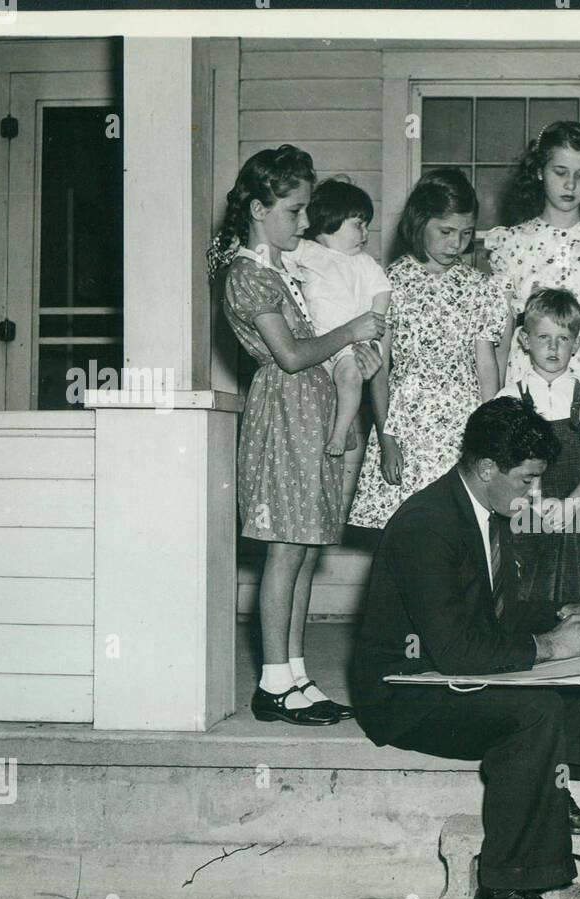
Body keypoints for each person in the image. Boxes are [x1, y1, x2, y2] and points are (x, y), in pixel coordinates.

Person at [351, 398, 580, 899]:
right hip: (407, 693)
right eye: (528, 480)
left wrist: (568, 615)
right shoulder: (427, 525)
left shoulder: (485, 508)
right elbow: (459, 651)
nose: (535, 493)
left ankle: (552, 793)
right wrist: (547, 647)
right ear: (487, 468)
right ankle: (505, 891)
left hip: (448, 664)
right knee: (532, 710)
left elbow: (494, 614)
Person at [209, 145, 384, 726]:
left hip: (314, 413)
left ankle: (298, 674)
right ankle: (272, 684)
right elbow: (288, 356)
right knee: (284, 550)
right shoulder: (246, 274)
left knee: (306, 549)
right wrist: (350, 330)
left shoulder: (284, 269)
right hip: (284, 414)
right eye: (294, 210)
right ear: (259, 209)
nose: (305, 223)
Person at [349, 168, 511, 530]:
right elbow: (379, 367)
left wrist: (493, 439)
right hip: (407, 426)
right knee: (413, 532)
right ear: (420, 222)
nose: (456, 244)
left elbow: (487, 368)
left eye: (466, 234)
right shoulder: (390, 281)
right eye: (446, 232)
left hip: (462, 427)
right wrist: (387, 438)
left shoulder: (479, 288)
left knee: (461, 528)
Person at [496, 288, 580, 604]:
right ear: (525, 341)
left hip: (578, 504)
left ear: (578, 343)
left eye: (563, 339)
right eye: (543, 337)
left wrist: (573, 502)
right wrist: (535, 501)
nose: (553, 347)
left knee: (575, 587)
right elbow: (506, 462)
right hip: (525, 506)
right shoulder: (510, 397)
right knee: (527, 587)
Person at [486, 121, 580, 388]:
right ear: (540, 171)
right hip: (526, 374)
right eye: (560, 172)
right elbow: (502, 336)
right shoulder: (511, 243)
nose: (570, 185)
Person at [283, 178, 392, 459]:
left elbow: (382, 291)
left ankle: (341, 431)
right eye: (358, 224)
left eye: (367, 224)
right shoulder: (308, 251)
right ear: (331, 220)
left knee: (349, 377)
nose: (366, 233)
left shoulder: (364, 263)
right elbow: (278, 262)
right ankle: (342, 427)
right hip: (313, 343)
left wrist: (374, 328)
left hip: (348, 346)